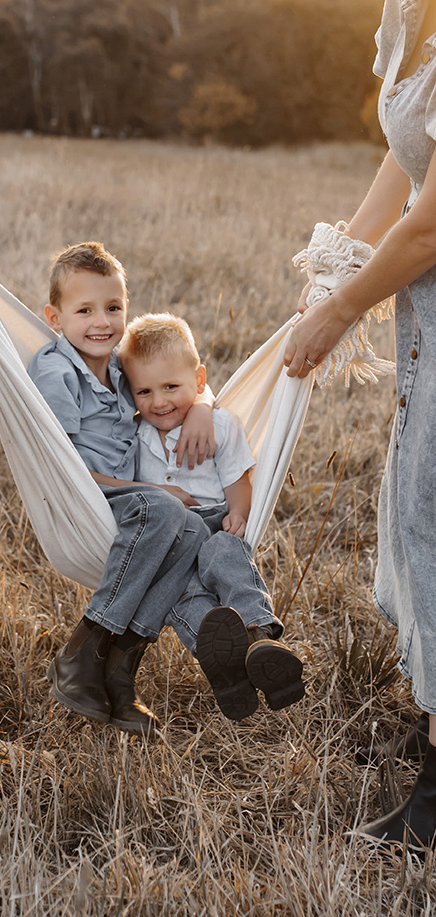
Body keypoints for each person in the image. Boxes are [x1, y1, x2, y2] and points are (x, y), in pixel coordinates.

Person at [30, 243, 304, 738]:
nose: (102, 321)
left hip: (136, 504)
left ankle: (120, 673)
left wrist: (201, 404)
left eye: (114, 308)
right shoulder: (56, 372)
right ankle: (81, 652)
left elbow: (167, 381)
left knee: (193, 539)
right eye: (85, 310)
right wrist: (148, 489)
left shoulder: (117, 367)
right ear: (54, 316)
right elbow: (62, 466)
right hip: (90, 495)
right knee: (166, 509)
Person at [283, 0, 436, 849]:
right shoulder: (409, 14)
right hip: (428, 315)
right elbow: (407, 153)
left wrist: (342, 309)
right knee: (419, 506)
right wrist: (342, 248)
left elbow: (434, 222)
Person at [118, 312, 305, 719]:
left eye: (171, 387)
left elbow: (237, 477)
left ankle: (260, 635)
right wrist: (156, 493)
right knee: (181, 593)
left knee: (225, 555)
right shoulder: (131, 435)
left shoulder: (220, 423)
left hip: (215, 519)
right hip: (169, 539)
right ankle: (227, 668)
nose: (160, 401)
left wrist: (239, 512)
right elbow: (123, 490)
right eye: (144, 391)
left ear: (199, 382)